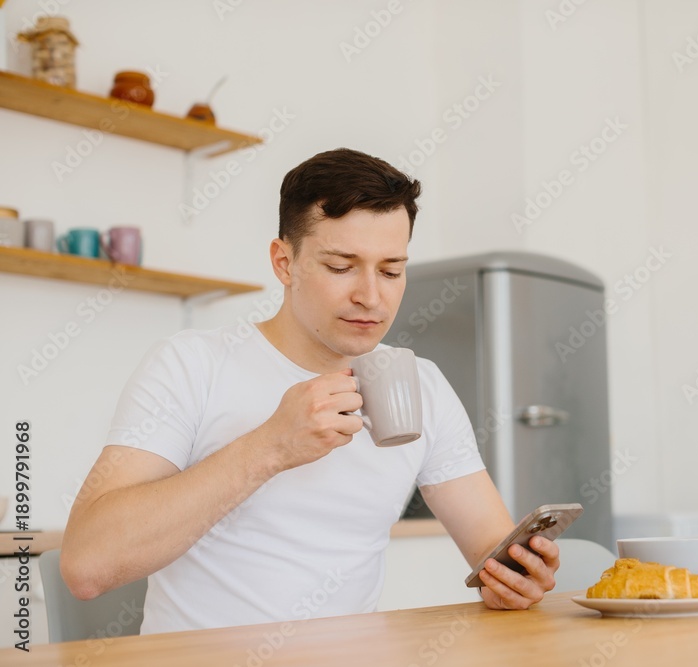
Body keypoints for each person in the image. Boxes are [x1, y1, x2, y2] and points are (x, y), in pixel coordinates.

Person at [60, 148, 561, 633]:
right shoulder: (192, 364)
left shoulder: (422, 385)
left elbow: (492, 551)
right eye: (341, 267)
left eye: (391, 270)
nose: (371, 296)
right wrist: (271, 447)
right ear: (284, 262)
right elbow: (86, 566)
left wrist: (517, 579)